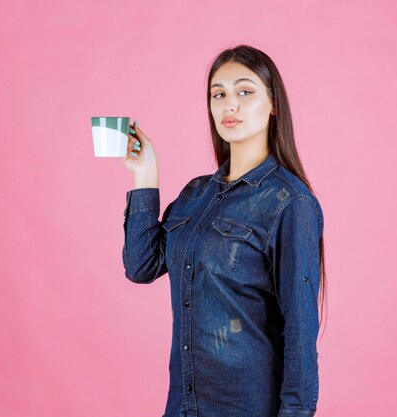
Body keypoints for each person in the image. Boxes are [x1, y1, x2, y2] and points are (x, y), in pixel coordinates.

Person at [121, 44, 327, 417]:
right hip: (184, 406)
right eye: (219, 95)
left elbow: (300, 333)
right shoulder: (196, 194)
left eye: (244, 92)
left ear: (273, 104)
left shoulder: (290, 202)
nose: (229, 105)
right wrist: (145, 174)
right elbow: (141, 266)